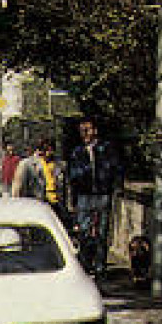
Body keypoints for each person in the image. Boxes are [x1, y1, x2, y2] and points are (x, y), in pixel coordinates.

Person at [66, 118, 124, 276]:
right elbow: (72, 176)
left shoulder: (106, 149)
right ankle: (85, 264)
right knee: (83, 232)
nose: (84, 133)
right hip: (84, 196)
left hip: (102, 194)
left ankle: (100, 266)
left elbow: (116, 168)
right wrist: (73, 199)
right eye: (82, 130)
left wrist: (116, 187)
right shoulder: (77, 152)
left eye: (88, 129)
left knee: (102, 232)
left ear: (95, 131)